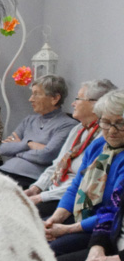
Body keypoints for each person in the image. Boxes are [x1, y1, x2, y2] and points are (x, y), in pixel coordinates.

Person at [44, 89, 124, 255]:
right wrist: (55, 219)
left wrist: (67, 229)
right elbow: (75, 187)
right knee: (32, 233)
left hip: (104, 229)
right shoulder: (98, 145)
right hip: (82, 214)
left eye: (120, 123)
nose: (112, 130)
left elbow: (114, 211)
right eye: (106, 122)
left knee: (48, 252)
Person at [24, 79, 116, 217]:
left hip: (71, 201)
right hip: (53, 192)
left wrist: (42, 197)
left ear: (95, 104)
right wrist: (36, 188)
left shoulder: (105, 137)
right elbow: (57, 164)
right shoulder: (78, 129)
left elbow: (83, 183)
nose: (73, 103)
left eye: (78, 99)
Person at [0, 74, 77, 188]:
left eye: (36, 94)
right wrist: (29, 144)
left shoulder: (68, 125)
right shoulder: (29, 120)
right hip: (3, 171)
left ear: (55, 98)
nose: (31, 99)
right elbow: (3, 149)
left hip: (30, 179)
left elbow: (46, 156)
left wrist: (17, 149)